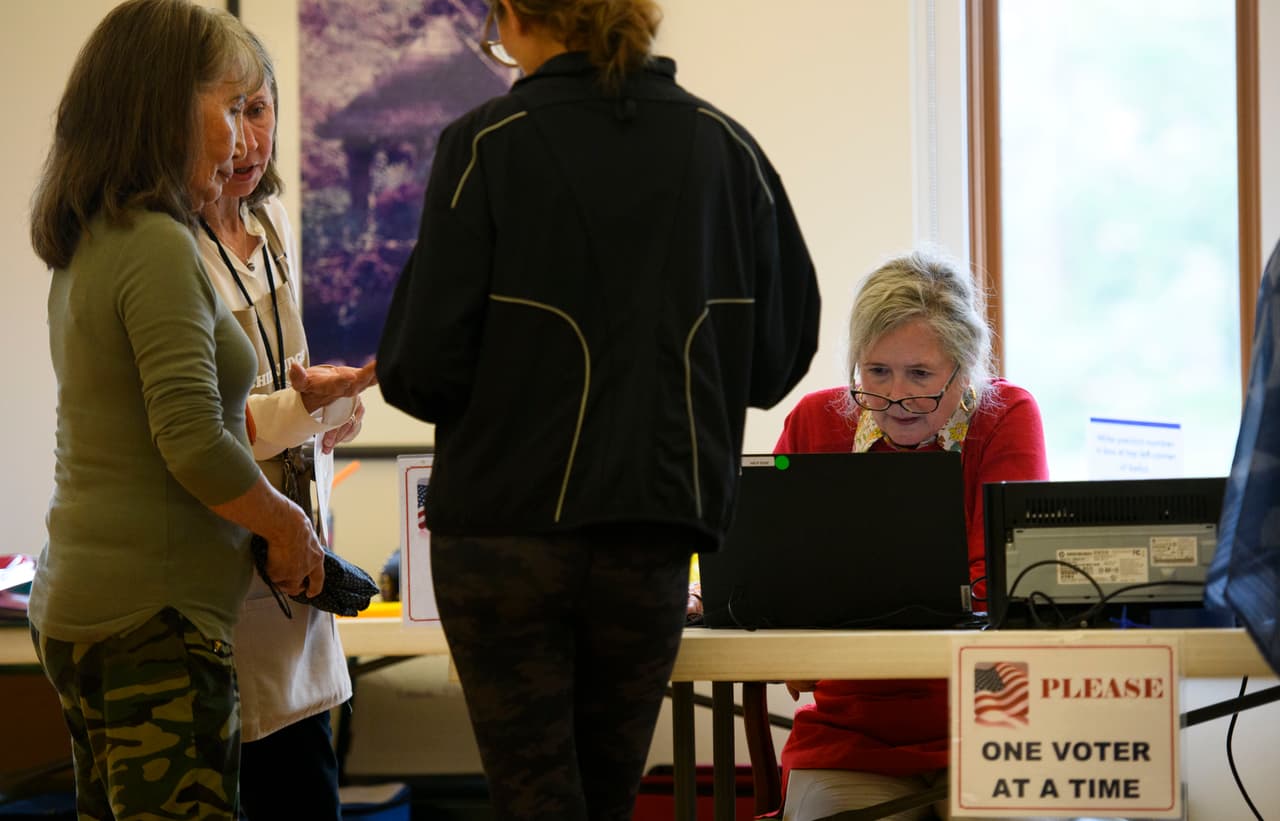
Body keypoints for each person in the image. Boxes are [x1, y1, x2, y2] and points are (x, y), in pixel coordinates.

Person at [376, 0, 820, 817]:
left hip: (504, 537)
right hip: (652, 532)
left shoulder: (485, 144)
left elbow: (420, 371)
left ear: (514, 15)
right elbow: (776, 359)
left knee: (534, 797)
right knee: (606, 800)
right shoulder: (726, 148)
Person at [26, 2, 327, 818]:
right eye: (229, 109)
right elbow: (193, 439)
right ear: (163, 110)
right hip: (152, 622)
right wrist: (288, 527)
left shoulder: (94, 233)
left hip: (88, 606)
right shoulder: (157, 244)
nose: (241, 142)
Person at [774, 251, 1048, 821]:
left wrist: (835, 623)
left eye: (920, 375)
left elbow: (1001, 584)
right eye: (876, 372)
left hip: (990, 715)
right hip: (851, 733)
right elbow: (774, 581)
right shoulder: (816, 421)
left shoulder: (1006, 414)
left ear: (964, 369)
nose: (896, 397)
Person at [195, 31, 377, 821]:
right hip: (227, 575)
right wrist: (313, 403)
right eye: (229, 112)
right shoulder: (175, 248)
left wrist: (335, 408)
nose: (247, 139)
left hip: (299, 577)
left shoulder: (270, 228)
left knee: (309, 787)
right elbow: (213, 420)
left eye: (259, 109)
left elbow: (287, 384)